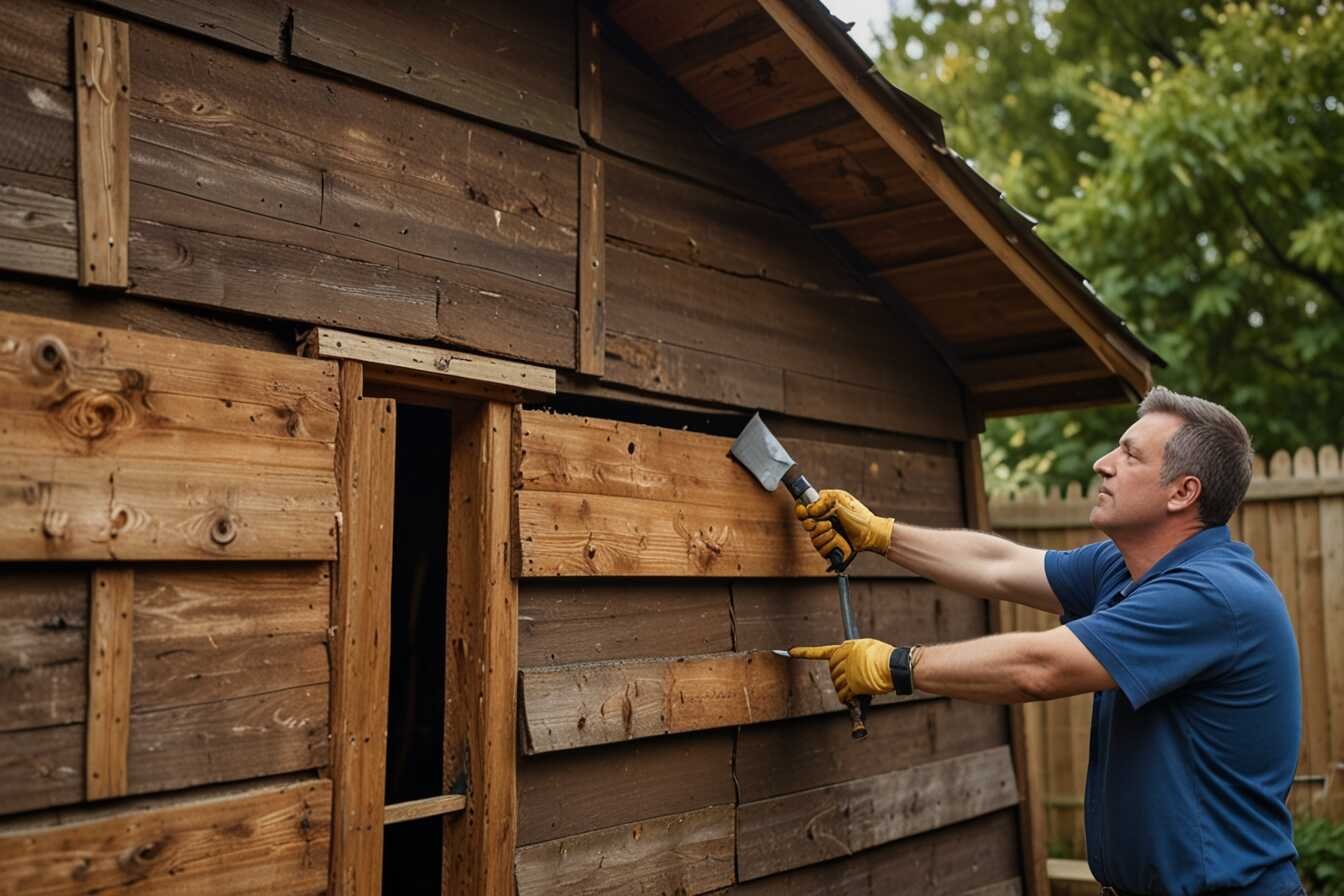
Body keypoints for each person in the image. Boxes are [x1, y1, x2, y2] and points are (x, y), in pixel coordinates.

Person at [789, 387, 1303, 896]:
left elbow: (1040, 668)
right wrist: (880, 534)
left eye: (1129, 454)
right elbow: (1001, 567)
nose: (1104, 463)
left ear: (1182, 493)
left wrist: (895, 666)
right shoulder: (1125, 568)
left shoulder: (1210, 594)